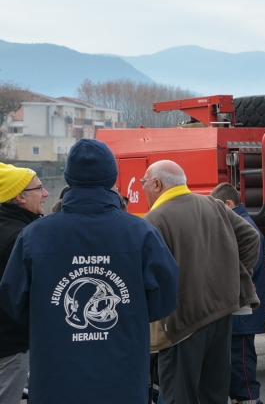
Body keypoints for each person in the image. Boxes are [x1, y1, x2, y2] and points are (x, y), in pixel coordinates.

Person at [0, 139, 179, 404]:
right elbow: (164, 298)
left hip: (55, 382)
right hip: (123, 379)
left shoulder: (34, 236)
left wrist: (50, 318)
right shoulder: (141, 233)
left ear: (69, 177)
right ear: (111, 178)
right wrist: (130, 314)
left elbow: (15, 300)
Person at [142, 160, 260, 404]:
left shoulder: (154, 220)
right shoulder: (213, 204)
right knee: (214, 394)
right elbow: (251, 236)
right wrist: (233, 278)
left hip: (181, 324)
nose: (142, 188)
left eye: (144, 182)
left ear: (157, 184)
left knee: (179, 395)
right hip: (221, 313)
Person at [210, 182, 265, 404]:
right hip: (238, 313)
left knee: (242, 370)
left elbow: (243, 271)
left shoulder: (243, 229)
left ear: (227, 204)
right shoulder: (241, 225)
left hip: (241, 316)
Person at [0, 162, 47, 402]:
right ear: (19, 197)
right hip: (10, 347)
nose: (46, 193)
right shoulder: (20, 237)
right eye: (40, 188)